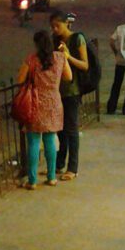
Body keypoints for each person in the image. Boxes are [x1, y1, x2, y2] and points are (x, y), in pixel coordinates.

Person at [16, 29, 73, 189]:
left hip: (35, 103)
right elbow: (69, 77)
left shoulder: (32, 60)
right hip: (53, 103)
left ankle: (32, 180)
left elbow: (20, 79)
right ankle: (52, 177)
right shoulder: (60, 58)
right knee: (50, 140)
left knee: (33, 141)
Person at [50, 11, 89, 181]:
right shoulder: (55, 40)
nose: (55, 29)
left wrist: (67, 57)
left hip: (72, 91)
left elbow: (85, 65)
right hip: (58, 90)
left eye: (57, 25)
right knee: (60, 130)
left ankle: (72, 168)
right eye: (52, 26)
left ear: (67, 23)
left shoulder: (77, 39)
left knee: (72, 130)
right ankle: (59, 164)